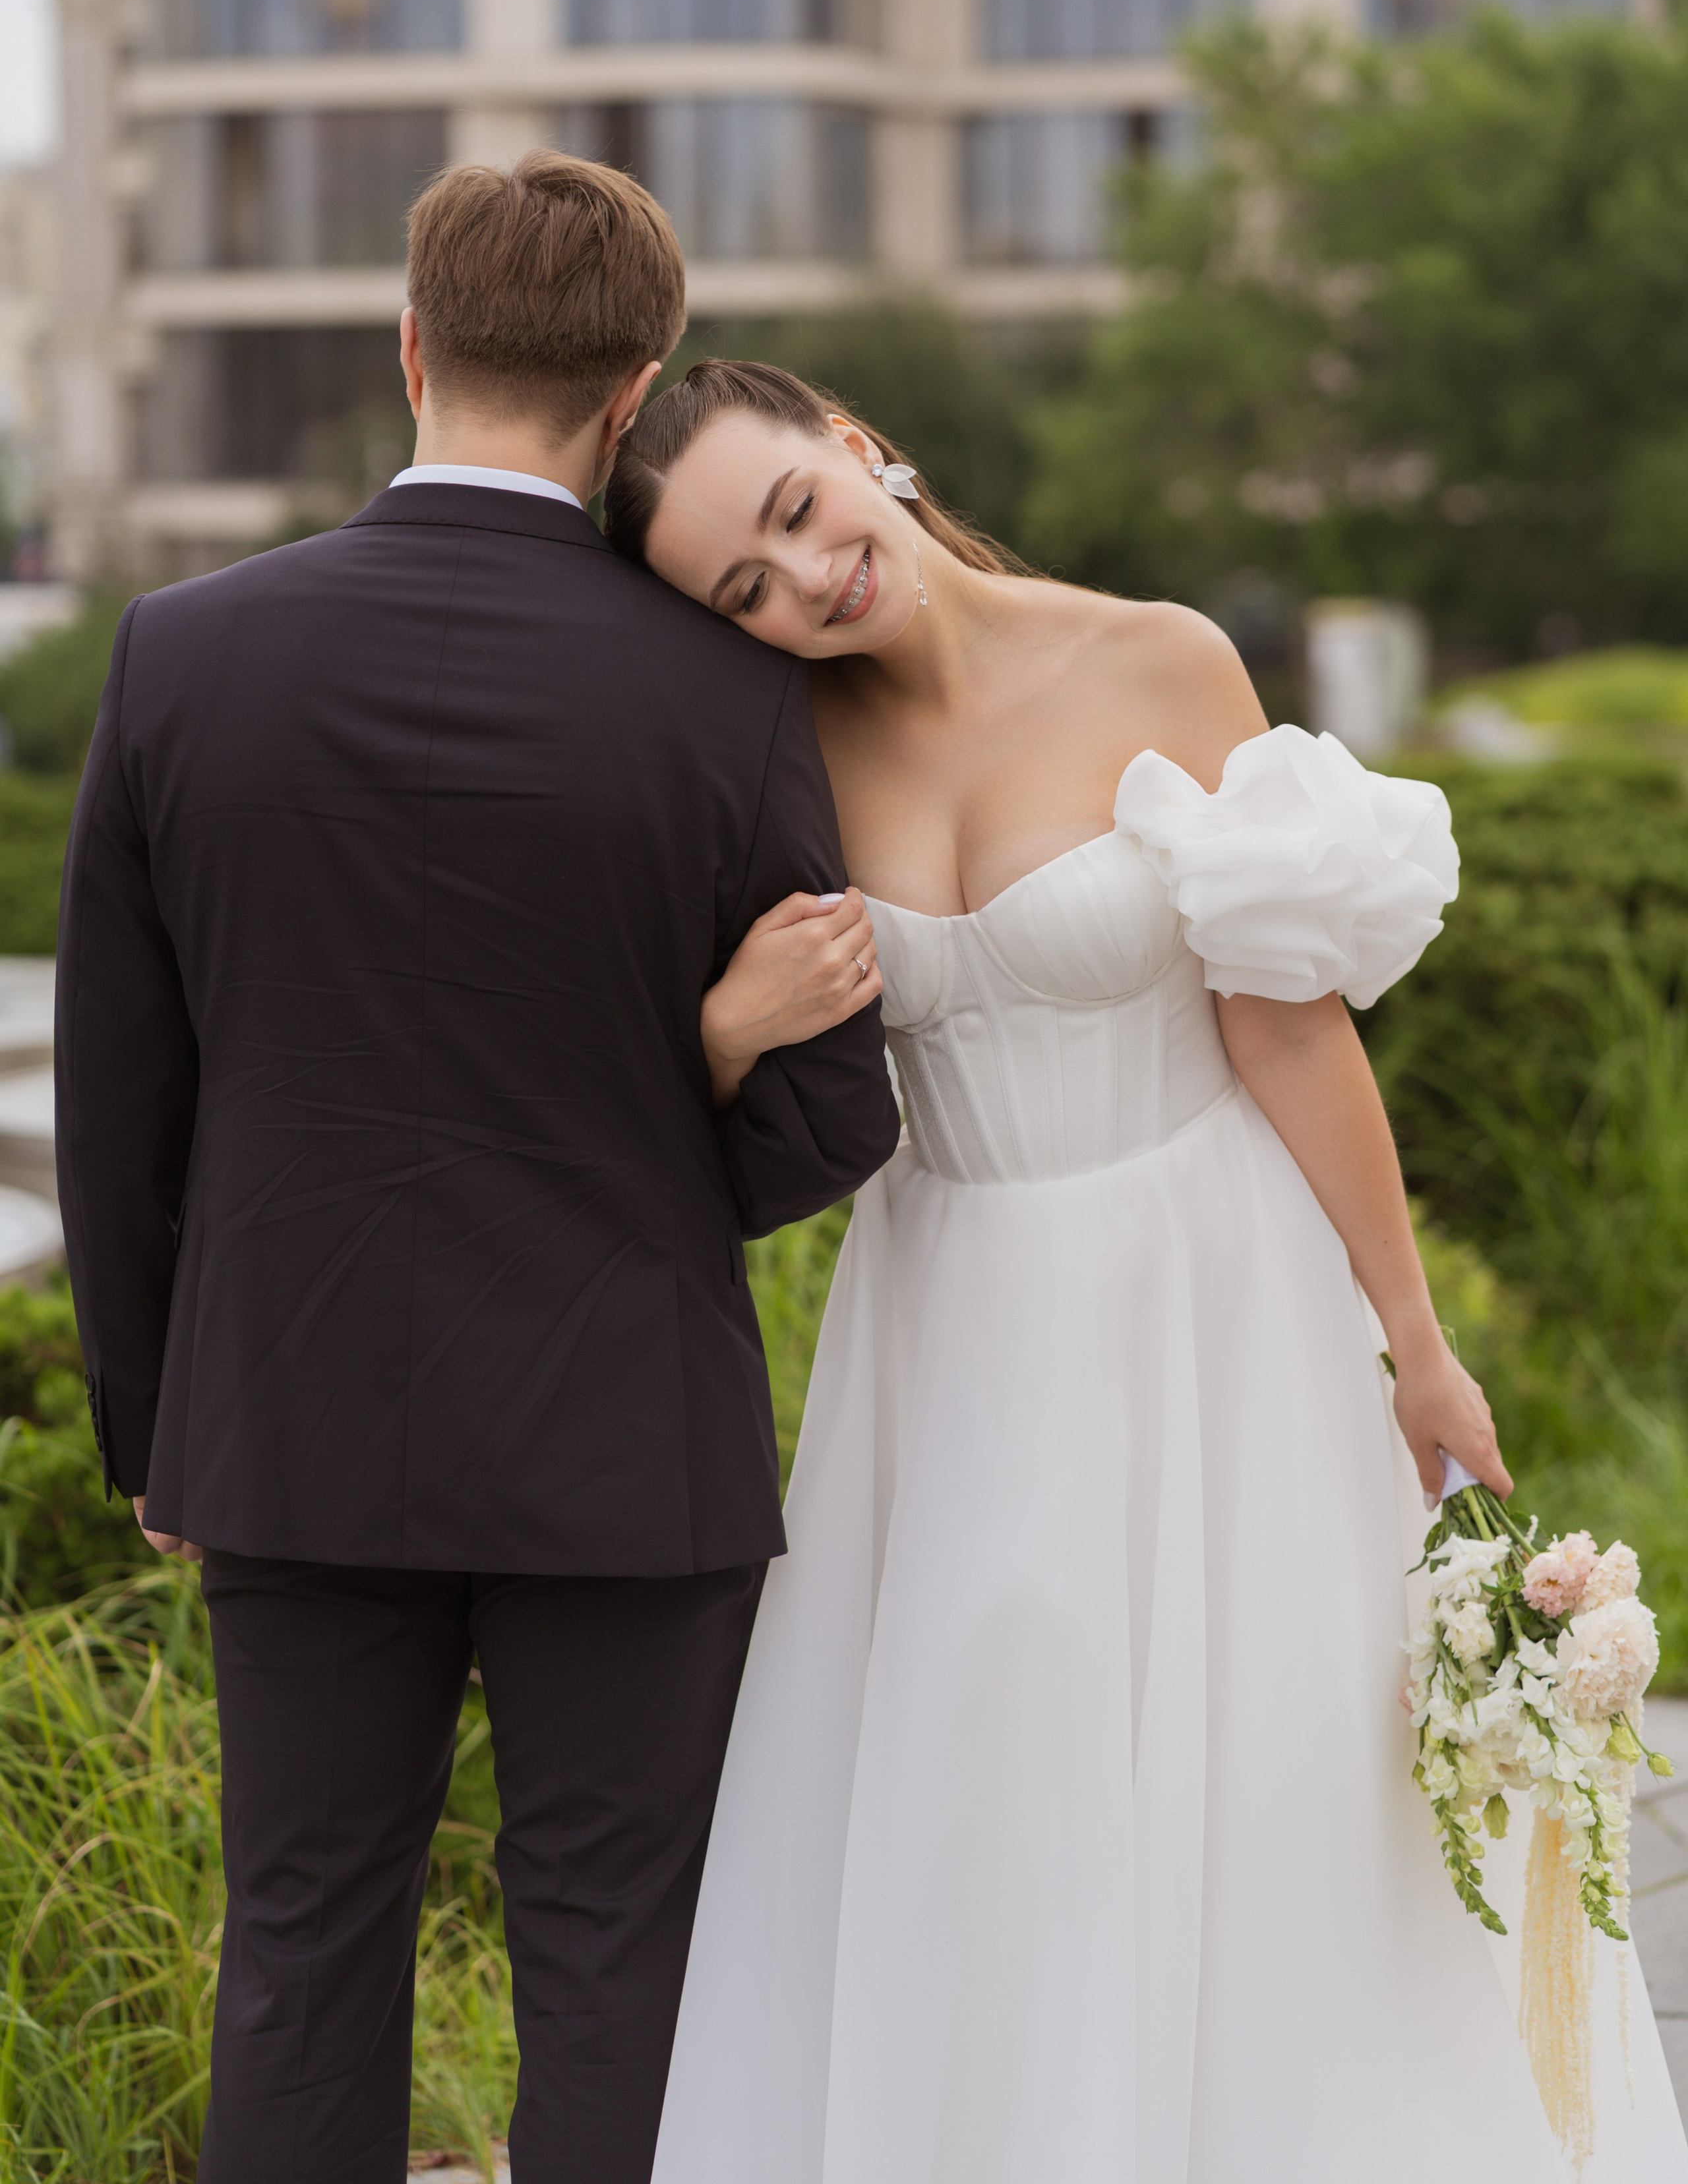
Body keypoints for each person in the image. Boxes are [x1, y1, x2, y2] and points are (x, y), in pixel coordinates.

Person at [599, 359, 1688, 2183]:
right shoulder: (776, 758)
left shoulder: (1160, 660)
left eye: (797, 514)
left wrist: (1413, 1341)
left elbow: (1288, 1031)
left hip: (1214, 1293)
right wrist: (721, 1031)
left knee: (1266, 1782)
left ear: (858, 445)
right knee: (982, 1774)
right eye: (743, 590)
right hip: (948, 1318)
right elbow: (683, 1081)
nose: (801, 584)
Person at [53, 164, 901, 2184]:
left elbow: (116, 1099)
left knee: (300, 1947)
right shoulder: (728, 691)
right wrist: (682, 1068)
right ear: (636, 400)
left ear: (411, 347)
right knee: (621, 1962)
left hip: (290, 1420)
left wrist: (158, 1425)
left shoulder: (180, 655)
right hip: (630, 1439)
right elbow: (832, 1110)